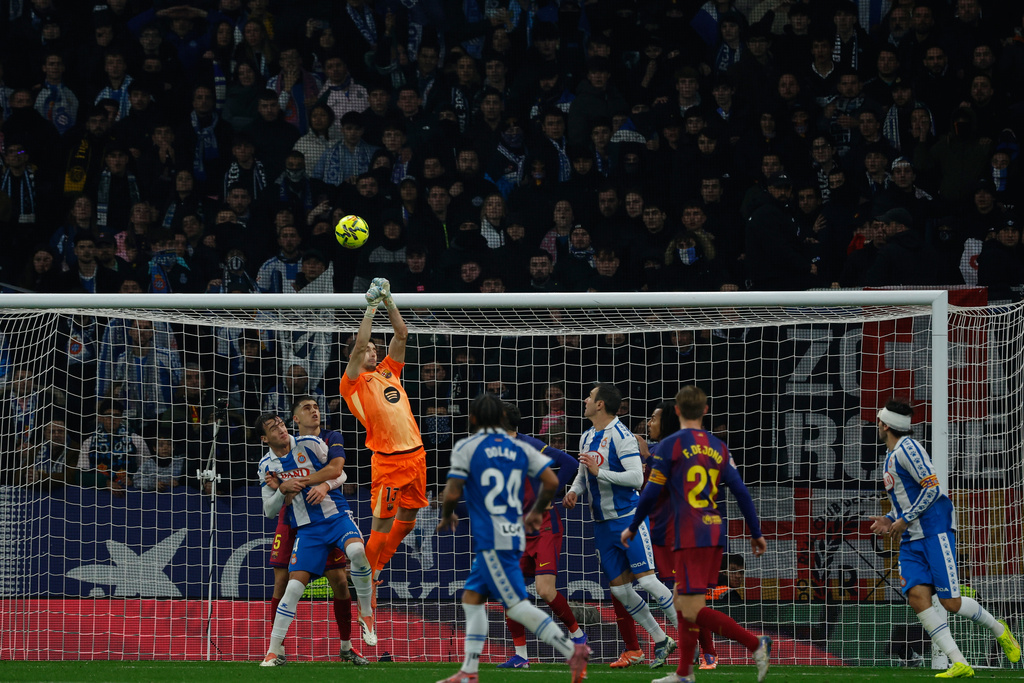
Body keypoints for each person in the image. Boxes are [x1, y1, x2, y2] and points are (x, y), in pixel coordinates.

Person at [435, 392, 590, 683]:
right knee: (483, 598)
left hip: (498, 535)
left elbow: (453, 490)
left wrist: (447, 514)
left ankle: (572, 647)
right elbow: (553, 480)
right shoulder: (520, 448)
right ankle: (480, 668)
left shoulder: (472, 448)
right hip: (511, 533)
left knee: (511, 599)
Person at [622, 385, 771, 683]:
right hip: (714, 531)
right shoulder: (719, 446)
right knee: (682, 602)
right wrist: (756, 532)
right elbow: (740, 491)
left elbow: (651, 492)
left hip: (688, 532)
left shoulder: (670, 446)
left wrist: (634, 524)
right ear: (705, 411)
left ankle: (755, 643)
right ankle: (684, 674)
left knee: (691, 608)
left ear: (676, 411)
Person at [869, 398, 1020, 679]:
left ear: (886, 424)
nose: (877, 424)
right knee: (916, 597)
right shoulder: (890, 456)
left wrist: (903, 519)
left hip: (934, 532)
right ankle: (958, 661)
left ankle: (1001, 630)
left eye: (879, 420)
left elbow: (932, 489)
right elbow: (904, 501)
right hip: (912, 540)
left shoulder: (909, 449)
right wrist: (890, 519)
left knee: (950, 602)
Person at [564, 383, 679, 669]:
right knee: (620, 591)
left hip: (628, 518)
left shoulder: (622, 436)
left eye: (590, 396)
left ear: (601, 404)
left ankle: (690, 638)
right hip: (602, 525)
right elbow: (582, 474)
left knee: (649, 581)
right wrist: (575, 491)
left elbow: (635, 479)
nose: (586, 400)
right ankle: (661, 639)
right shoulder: (587, 435)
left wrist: (598, 472)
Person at [255, 412, 375, 666]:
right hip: (301, 526)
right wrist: (282, 492)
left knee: (341, 580)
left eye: (281, 423)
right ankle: (276, 650)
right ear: (265, 438)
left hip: (333, 518)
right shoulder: (267, 466)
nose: (281, 429)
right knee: (287, 583)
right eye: (273, 427)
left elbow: (339, 473)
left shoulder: (310, 444)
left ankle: (350, 641)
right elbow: (269, 510)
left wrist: (324, 486)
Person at [340, 277, 426, 607]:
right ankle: (367, 576)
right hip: (388, 462)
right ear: (355, 356)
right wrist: (370, 309)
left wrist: (389, 299)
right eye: (369, 348)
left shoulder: (390, 370)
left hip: (417, 457)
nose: (373, 350)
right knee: (381, 529)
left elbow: (402, 334)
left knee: (407, 524)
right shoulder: (352, 384)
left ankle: (374, 569)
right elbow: (359, 346)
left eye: (377, 347)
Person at [497, 403, 588, 668]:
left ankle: (578, 637)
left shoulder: (530, 445)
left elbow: (569, 462)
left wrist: (552, 494)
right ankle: (521, 657)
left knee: (544, 590)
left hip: (544, 526)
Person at [639, 400, 719, 671]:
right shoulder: (660, 448)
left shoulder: (668, 449)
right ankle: (700, 651)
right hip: (665, 530)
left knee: (686, 596)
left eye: (653, 418)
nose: (649, 423)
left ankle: (707, 651)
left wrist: (647, 459)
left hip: (680, 531)